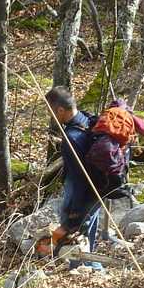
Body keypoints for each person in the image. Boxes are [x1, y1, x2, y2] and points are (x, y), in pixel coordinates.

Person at [45, 86, 101, 269]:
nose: (51, 116)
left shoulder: (71, 138)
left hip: (84, 194)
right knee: (88, 235)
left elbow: (78, 179)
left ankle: (84, 268)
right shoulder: (87, 120)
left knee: (75, 236)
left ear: (60, 110)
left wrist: (73, 214)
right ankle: (89, 266)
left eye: (51, 111)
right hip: (99, 189)